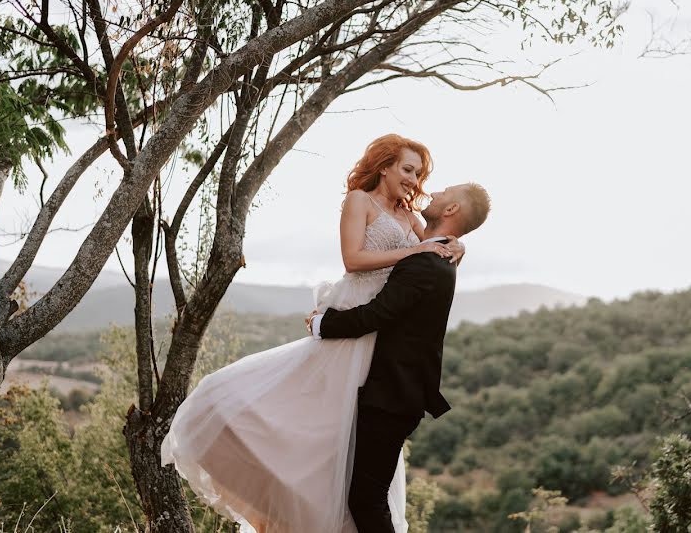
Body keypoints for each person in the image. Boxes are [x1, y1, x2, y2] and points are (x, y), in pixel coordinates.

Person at [160, 134, 467, 532]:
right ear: (385, 165)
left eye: (419, 173)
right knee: (303, 417)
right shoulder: (360, 200)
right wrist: (415, 251)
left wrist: (457, 246)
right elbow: (353, 259)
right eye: (408, 169)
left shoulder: (410, 217)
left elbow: (436, 251)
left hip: (381, 336)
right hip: (354, 316)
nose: (413, 179)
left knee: (345, 442)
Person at [307, 181, 491, 533]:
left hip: (393, 396)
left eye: (443, 193)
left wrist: (321, 323)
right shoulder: (440, 257)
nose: (433, 193)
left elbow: (376, 315)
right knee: (364, 496)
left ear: (451, 210)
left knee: (367, 501)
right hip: (395, 392)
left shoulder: (426, 264)